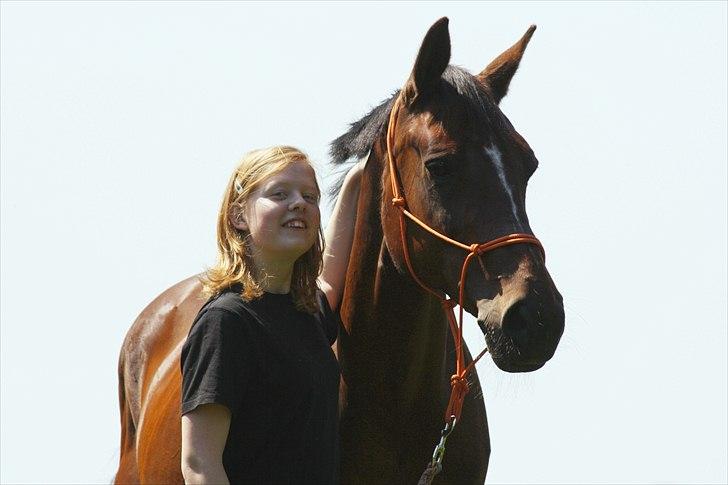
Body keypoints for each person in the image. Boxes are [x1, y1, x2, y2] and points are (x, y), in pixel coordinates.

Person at [179, 146, 362, 484]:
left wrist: (354, 181)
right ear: (238, 216)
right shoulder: (225, 322)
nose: (299, 203)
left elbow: (330, 283)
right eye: (280, 193)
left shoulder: (306, 311)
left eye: (310, 196)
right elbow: (199, 464)